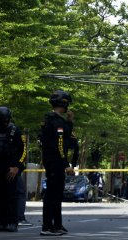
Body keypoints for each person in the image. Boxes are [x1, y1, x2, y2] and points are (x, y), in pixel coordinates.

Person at [39, 90, 75, 236]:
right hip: (55, 161)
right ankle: (47, 226)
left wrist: (70, 121)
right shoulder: (56, 121)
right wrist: (66, 164)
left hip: (53, 160)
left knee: (57, 194)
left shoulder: (53, 120)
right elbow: (60, 145)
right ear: (64, 104)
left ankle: (57, 224)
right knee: (52, 194)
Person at [0, 106, 26, 232]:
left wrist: (17, 167)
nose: (3, 122)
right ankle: (2, 222)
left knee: (11, 196)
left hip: (11, 169)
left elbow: (23, 151)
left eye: (4, 120)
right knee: (0, 196)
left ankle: (12, 222)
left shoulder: (16, 131)